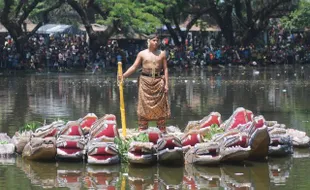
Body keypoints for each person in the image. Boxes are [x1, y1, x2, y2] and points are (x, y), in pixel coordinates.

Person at [120, 34, 170, 132]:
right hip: (145, 82)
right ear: (149, 41)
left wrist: (167, 84)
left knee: (161, 108)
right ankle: (142, 130)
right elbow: (134, 67)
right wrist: (123, 75)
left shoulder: (162, 54)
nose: (156, 42)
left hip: (158, 81)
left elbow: (165, 69)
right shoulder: (142, 54)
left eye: (157, 40)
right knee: (143, 106)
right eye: (154, 40)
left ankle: (162, 130)